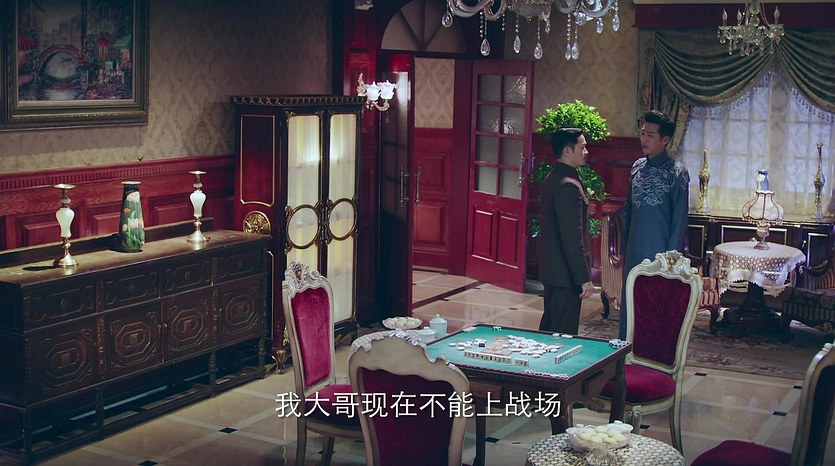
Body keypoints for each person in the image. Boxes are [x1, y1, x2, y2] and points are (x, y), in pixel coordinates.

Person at [620, 110, 690, 339]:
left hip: (661, 255)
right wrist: (623, 250)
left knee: (655, 311)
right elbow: (628, 210)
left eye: (650, 135)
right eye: (643, 134)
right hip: (634, 252)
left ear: (665, 139)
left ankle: (652, 356)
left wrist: (670, 261)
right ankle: (625, 354)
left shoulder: (677, 173)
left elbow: (679, 220)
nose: (644, 139)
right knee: (630, 306)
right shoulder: (637, 168)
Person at [538, 127, 595, 334]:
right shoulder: (567, 185)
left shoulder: (555, 177)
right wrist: (583, 277)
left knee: (550, 329)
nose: (586, 152)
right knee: (562, 335)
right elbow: (572, 237)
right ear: (567, 151)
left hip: (555, 271)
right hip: (565, 275)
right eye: (582, 147)